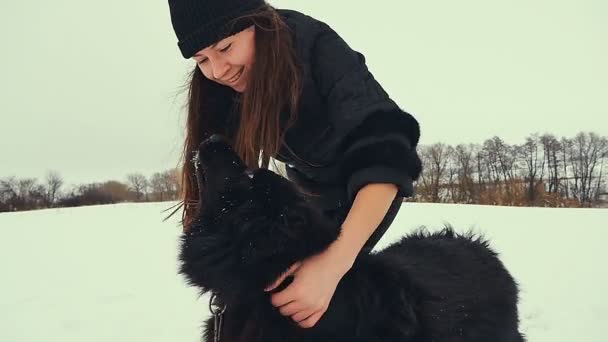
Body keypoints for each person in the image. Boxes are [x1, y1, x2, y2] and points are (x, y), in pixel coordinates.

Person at [166, 0, 422, 329]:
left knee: (327, 289)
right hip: (307, 188)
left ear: (257, 22)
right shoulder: (220, 82)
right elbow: (217, 173)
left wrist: (333, 264)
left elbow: (387, 152)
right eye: (201, 59)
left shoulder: (316, 47)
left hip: (368, 185)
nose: (217, 70)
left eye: (225, 47)